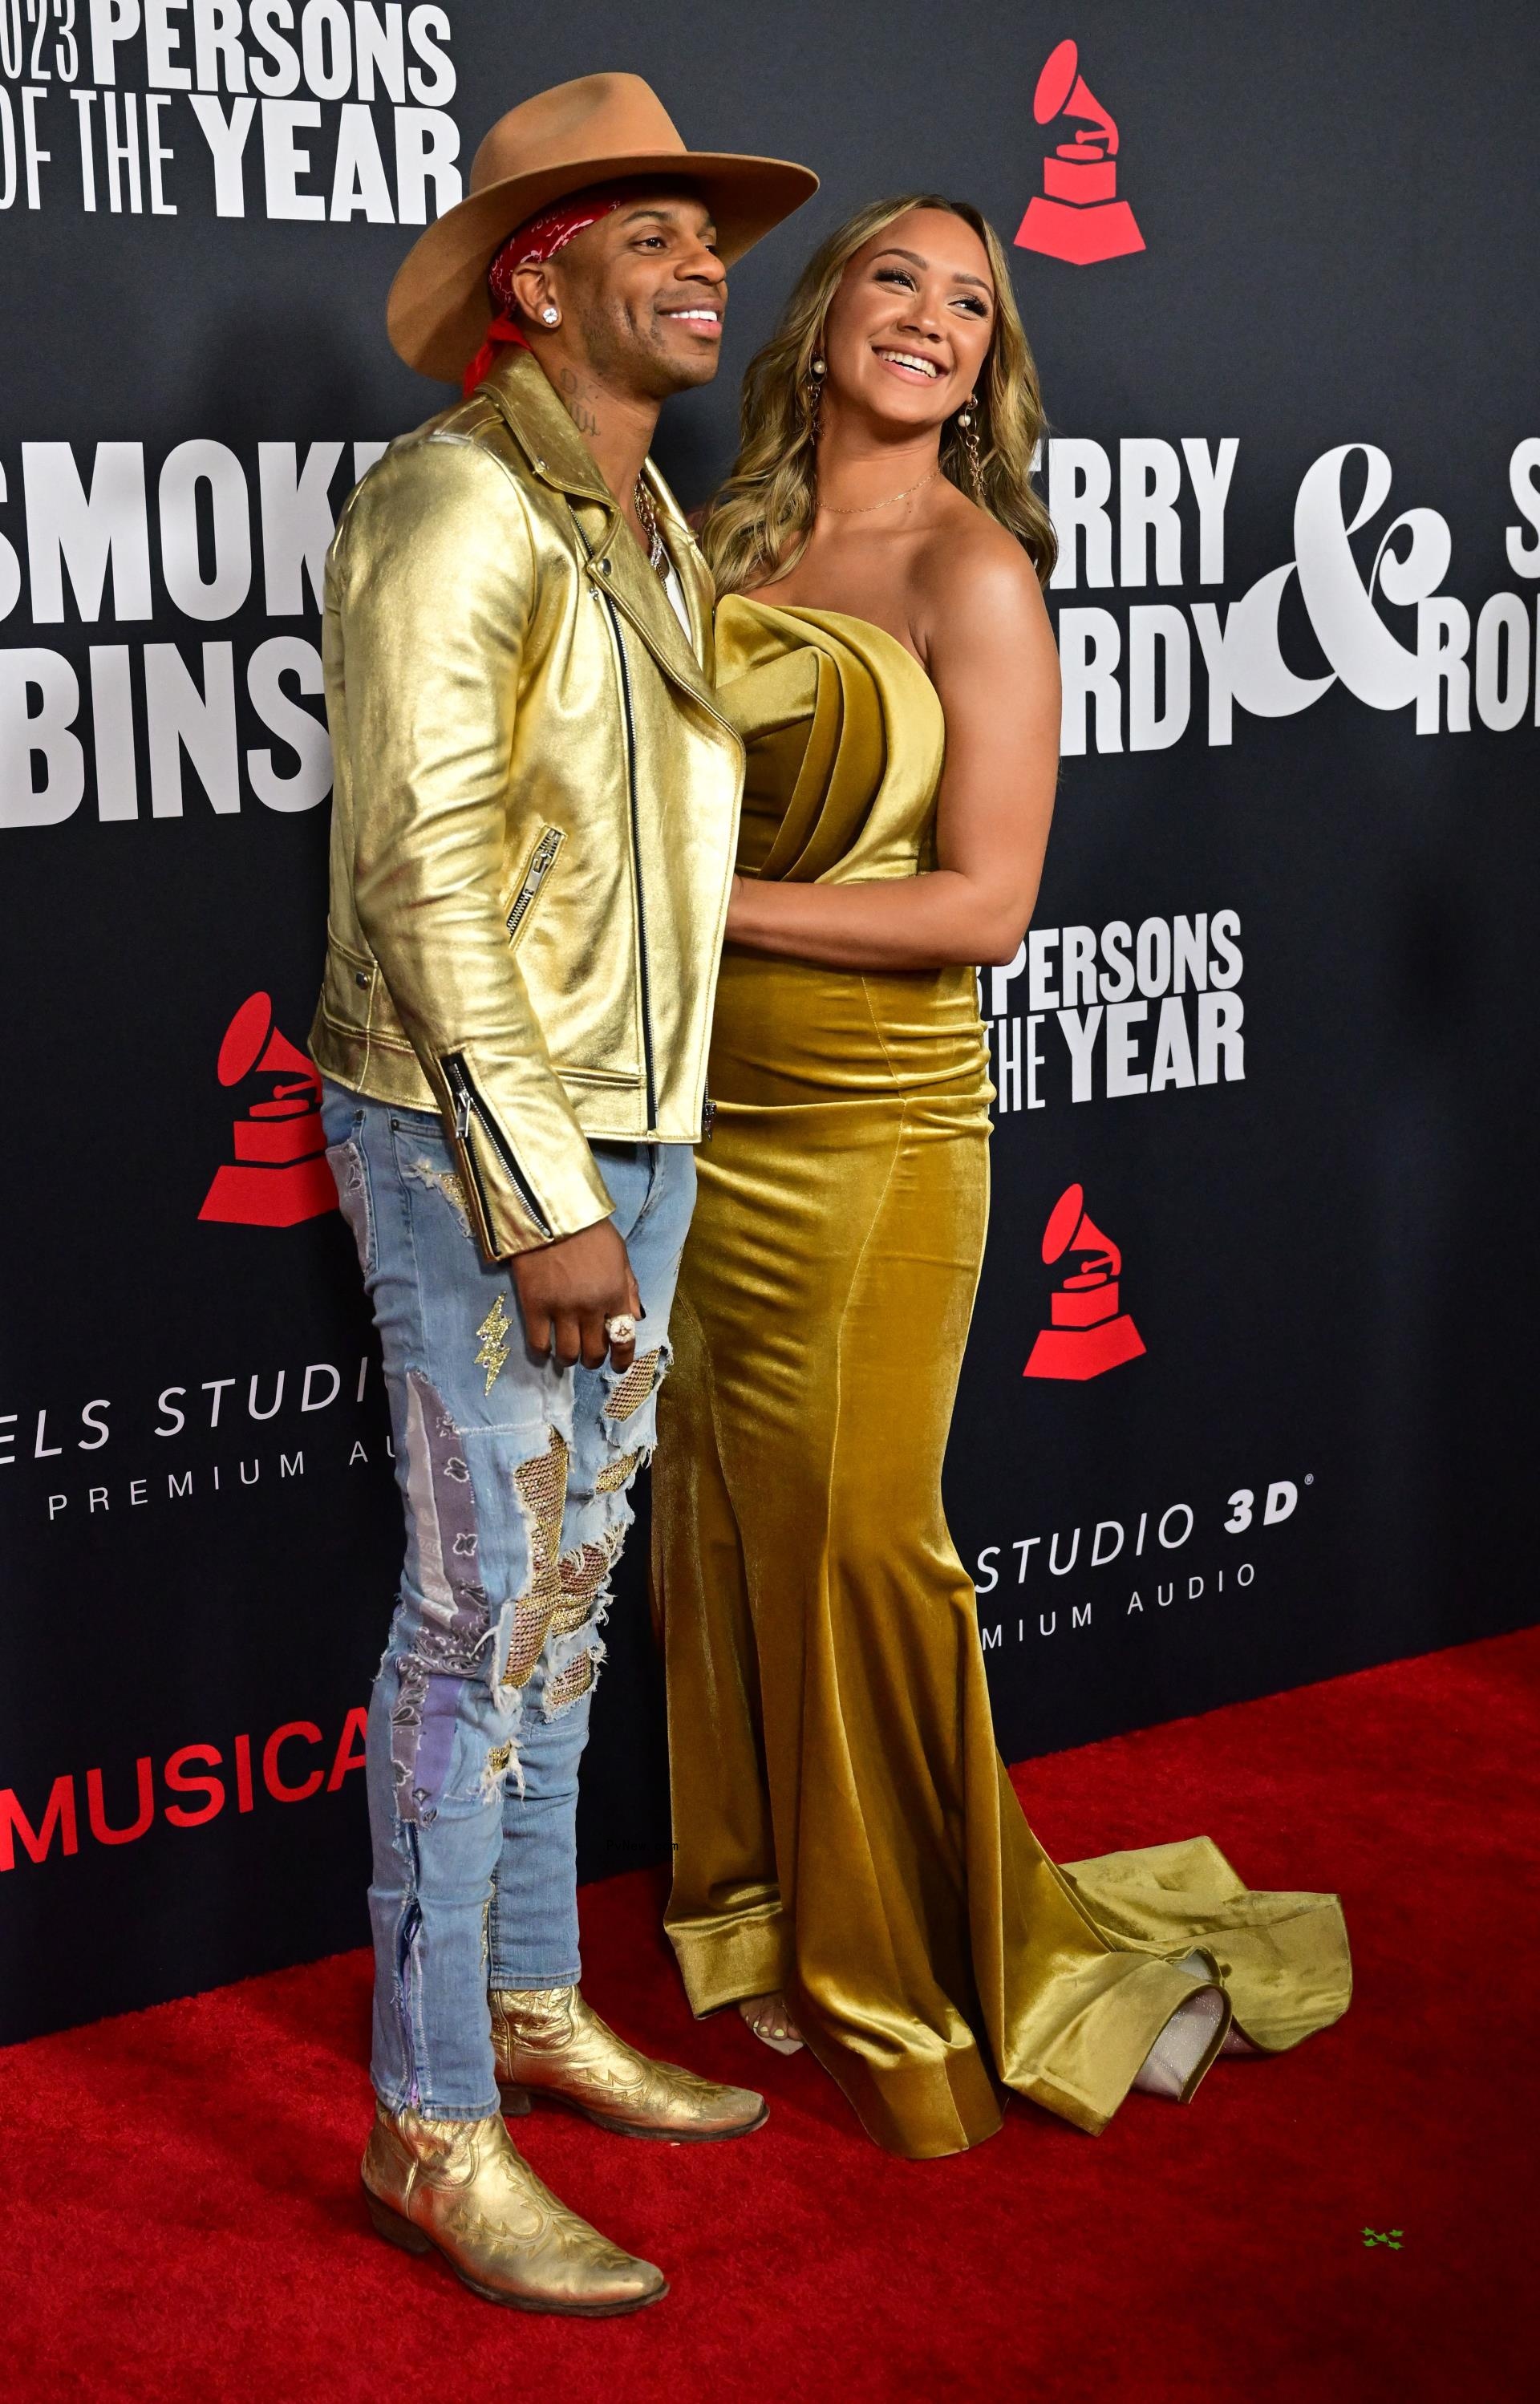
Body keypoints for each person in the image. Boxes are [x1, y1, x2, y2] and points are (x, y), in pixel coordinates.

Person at [650, 196, 1352, 2160]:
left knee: (868, 1544)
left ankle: (919, 1960)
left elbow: (990, 904)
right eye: (901, 280)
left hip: (877, 1133)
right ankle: (762, 1917)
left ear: (989, 368)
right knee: (719, 1523)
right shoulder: (729, 546)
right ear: (823, 317)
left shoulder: (977, 575)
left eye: (974, 305)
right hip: (702, 1114)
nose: (935, 321)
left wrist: (702, 910)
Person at [310, 74, 816, 2306]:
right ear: (541, 273)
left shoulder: (648, 523)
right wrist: (541, 1190)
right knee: (472, 1617)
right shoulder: (453, 502)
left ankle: (527, 1999)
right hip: (478, 1140)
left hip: (641, 1129)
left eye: (716, 237)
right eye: (659, 234)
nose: (712, 263)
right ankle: (431, 2122)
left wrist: (642, 1151)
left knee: (566, 1610)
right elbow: (422, 876)